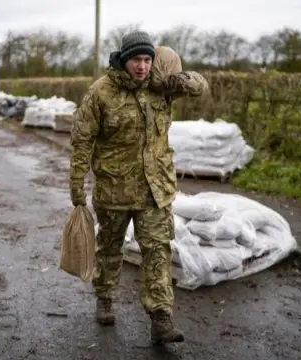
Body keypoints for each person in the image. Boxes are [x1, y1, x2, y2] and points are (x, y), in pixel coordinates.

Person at [69, 30, 207, 344]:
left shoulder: (161, 89)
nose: (142, 66)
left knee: (158, 251)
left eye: (147, 60)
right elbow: (82, 141)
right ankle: (104, 298)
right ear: (124, 60)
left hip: (154, 191)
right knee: (109, 250)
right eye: (136, 60)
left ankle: (161, 318)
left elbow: (200, 86)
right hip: (113, 191)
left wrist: (177, 81)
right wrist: (76, 185)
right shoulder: (100, 93)